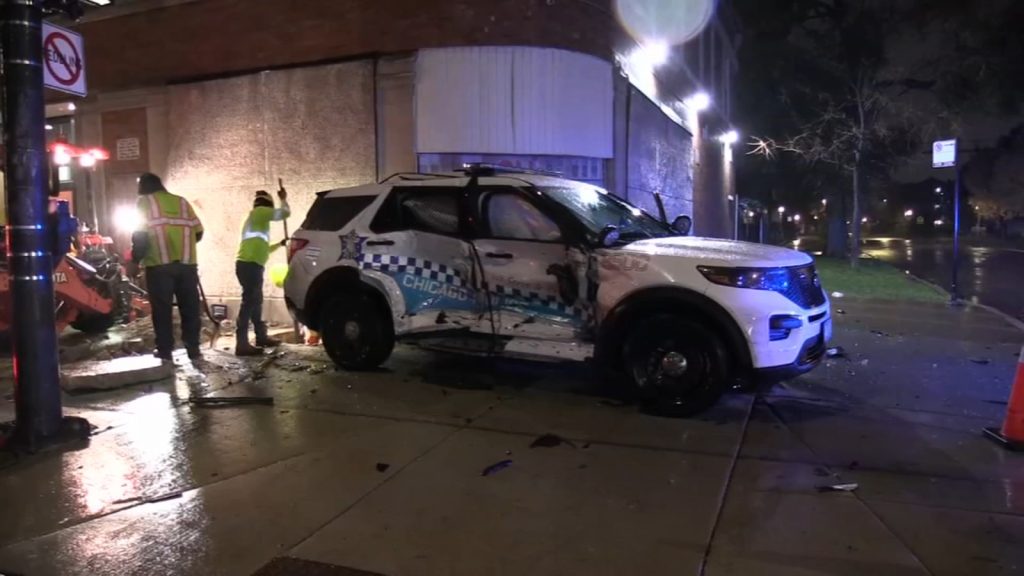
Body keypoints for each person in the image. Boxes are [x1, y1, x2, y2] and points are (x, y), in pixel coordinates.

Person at [131, 173, 204, 362]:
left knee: (162, 310)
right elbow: (199, 232)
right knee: (190, 307)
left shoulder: (144, 202)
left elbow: (140, 235)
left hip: (159, 265)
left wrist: (135, 259)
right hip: (187, 265)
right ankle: (193, 349)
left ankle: (165, 350)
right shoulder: (182, 202)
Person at [234, 187, 290, 356]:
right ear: (267, 205)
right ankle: (242, 343)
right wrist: (284, 199)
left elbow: (263, 247)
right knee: (249, 303)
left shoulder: (257, 220)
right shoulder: (259, 213)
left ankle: (261, 337)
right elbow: (285, 213)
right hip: (249, 265)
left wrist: (279, 245)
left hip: (251, 265)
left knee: (255, 302)